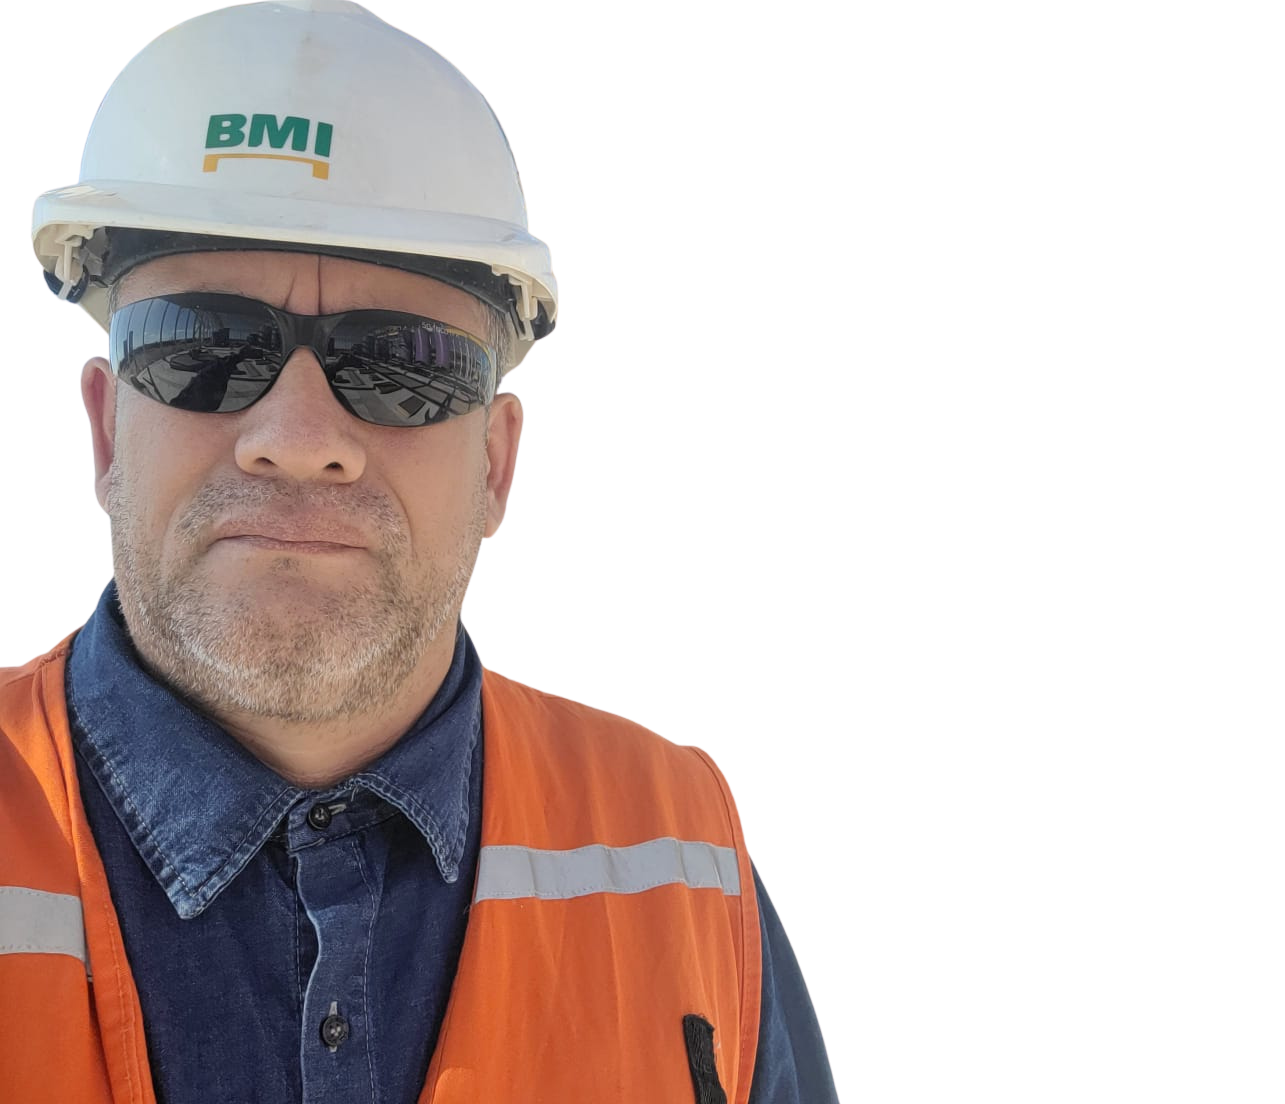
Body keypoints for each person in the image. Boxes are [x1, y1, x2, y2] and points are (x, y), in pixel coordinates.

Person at [1, 2, 838, 1101]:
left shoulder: (682, 840)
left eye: (402, 365)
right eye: (205, 346)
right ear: (107, 432)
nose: (298, 439)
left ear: (497, 465)